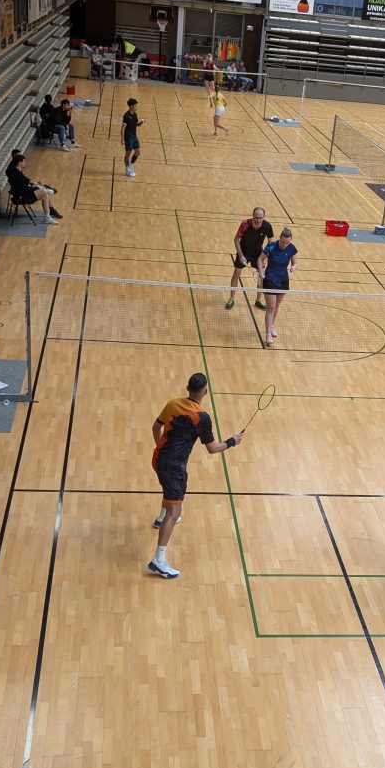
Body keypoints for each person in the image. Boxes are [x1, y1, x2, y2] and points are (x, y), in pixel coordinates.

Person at [148, 372, 244, 579]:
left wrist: (161, 449)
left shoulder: (173, 403)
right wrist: (232, 441)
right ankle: (158, 561)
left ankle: (160, 518)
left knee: (170, 492)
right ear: (205, 391)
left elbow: (156, 427)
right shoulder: (201, 417)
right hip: (174, 468)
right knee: (175, 512)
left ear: (187, 388)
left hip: (158, 458)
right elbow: (212, 448)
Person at [226, 207, 274, 311]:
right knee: (237, 272)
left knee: (261, 275)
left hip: (258, 253)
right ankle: (231, 298)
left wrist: (265, 257)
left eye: (260, 218)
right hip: (243, 251)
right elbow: (236, 240)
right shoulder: (245, 224)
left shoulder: (267, 226)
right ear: (253, 216)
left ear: (263, 217)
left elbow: (271, 243)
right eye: (256, 217)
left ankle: (258, 300)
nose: (258, 220)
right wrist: (241, 255)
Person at [258, 227, 298, 347]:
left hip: (283, 281)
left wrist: (294, 267)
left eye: (287, 242)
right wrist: (261, 271)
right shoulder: (271, 246)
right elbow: (260, 259)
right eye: (283, 241)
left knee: (276, 306)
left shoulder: (292, 248)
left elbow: (295, 262)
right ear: (280, 238)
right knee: (270, 307)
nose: (285, 244)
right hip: (270, 279)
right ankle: (267, 334)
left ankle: (271, 327)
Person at [6, 154, 59, 223]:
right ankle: (47, 190)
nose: (25, 163)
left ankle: (47, 217)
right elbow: (25, 188)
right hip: (22, 197)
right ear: (19, 162)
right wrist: (35, 187)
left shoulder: (17, 172)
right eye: (24, 161)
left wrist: (35, 185)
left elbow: (25, 181)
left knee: (45, 195)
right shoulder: (17, 174)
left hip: (23, 193)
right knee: (44, 192)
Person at [121, 97, 144, 177]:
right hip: (128, 137)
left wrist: (141, 122)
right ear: (131, 106)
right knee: (128, 153)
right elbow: (123, 128)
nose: (136, 107)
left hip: (134, 136)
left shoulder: (134, 114)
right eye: (135, 106)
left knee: (137, 152)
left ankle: (130, 165)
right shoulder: (126, 115)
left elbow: (136, 124)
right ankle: (127, 168)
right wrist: (122, 139)